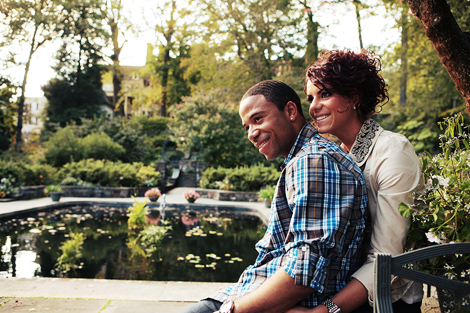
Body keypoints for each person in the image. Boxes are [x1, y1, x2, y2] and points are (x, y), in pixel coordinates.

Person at [180, 80, 368, 313]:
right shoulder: (303, 159)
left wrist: (231, 311)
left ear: (290, 111)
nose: (251, 133)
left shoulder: (314, 161)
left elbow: (303, 271)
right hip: (256, 291)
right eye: (246, 127)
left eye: (258, 119)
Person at [292, 49, 424, 313]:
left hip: (388, 302)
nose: (313, 106)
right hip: (339, 289)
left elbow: (385, 260)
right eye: (311, 97)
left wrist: (322, 311)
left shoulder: (392, 150)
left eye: (325, 94)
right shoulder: (337, 156)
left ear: (354, 96)